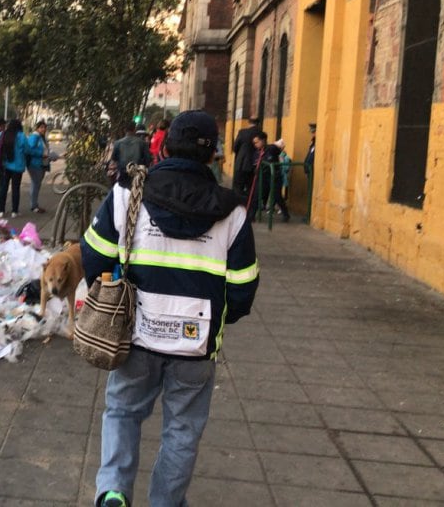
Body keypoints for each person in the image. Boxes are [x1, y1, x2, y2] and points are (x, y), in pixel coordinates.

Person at [81, 109, 259, 507]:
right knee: (182, 430)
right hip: (196, 346)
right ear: (213, 154)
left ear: (164, 146)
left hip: (135, 337)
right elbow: (244, 288)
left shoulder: (129, 193)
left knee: (123, 412)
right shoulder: (233, 213)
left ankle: (112, 491)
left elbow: (92, 256)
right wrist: (218, 317)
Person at [0, 119, 29, 217]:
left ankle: (1, 210)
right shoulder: (22, 136)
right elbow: (27, 150)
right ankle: (14, 211)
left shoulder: (3, 134)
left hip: (5, 165)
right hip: (18, 167)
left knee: (3, 187)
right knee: (16, 188)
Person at [110, 121, 152, 187]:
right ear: (135, 129)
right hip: (137, 174)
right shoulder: (142, 143)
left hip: (122, 175)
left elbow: (114, 159)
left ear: (124, 130)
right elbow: (148, 160)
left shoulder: (117, 143)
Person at [261, 138, 290, 222]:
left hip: (273, 175)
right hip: (273, 175)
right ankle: (285, 214)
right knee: (277, 195)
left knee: (275, 195)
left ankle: (284, 213)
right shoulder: (274, 150)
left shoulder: (270, 149)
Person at [232, 117, 261, 197]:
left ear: (248, 122)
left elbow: (235, 147)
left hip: (241, 163)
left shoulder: (242, 132)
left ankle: (237, 205)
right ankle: (248, 206)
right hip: (254, 164)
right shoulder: (260, 133)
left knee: (238, 187)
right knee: (251, 188)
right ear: (258, 123)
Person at [26, 120, 49, 213]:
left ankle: (35, 204)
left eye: (44, 127)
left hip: (41, 164)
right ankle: (34, 206)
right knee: (35, 184)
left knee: (36, 184)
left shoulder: (42, 137)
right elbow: (29, 150)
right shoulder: (34, 137)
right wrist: (41, 154)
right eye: (41, 127)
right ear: (37, 128)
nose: (43, 129)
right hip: (34, 164)